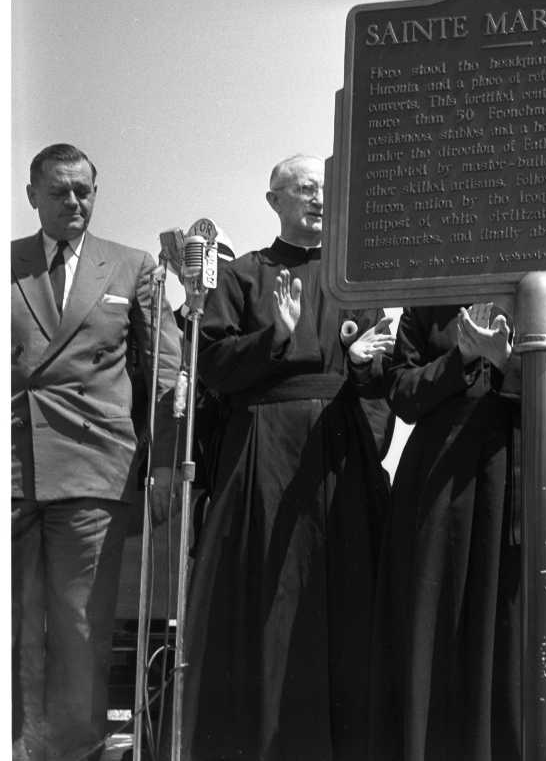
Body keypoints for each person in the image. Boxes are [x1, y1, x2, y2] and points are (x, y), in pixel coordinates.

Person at [179, 154, 396, 761]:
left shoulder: (357, 280)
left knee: (344, 596)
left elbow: (381, 378)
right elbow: (212, 366)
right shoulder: (243, 275)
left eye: (325, 188)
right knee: (269, 596)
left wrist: (363, 384)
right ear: (274, 200)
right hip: (264, 454)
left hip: (340, 453)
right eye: (303, 189)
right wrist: (275, 336)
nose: (318, 198)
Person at [12, 142, 182, 761]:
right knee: (13, 619)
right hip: (13, 463)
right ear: (32, 196)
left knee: (81, 623)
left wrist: (163, 463)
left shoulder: (133, 266)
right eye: (59, 191)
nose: (74, 202)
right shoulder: (7, 262)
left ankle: (77, 749)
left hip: (93, 466)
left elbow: (165, 371)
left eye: (83, 191)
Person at [370, 301, 546, 761]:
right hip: (440, 487)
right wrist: (461, 358)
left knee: (516, 624)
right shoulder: (426, 301)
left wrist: (504, 361)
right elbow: (402, 393)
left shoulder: (542, 297)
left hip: (517, 476)